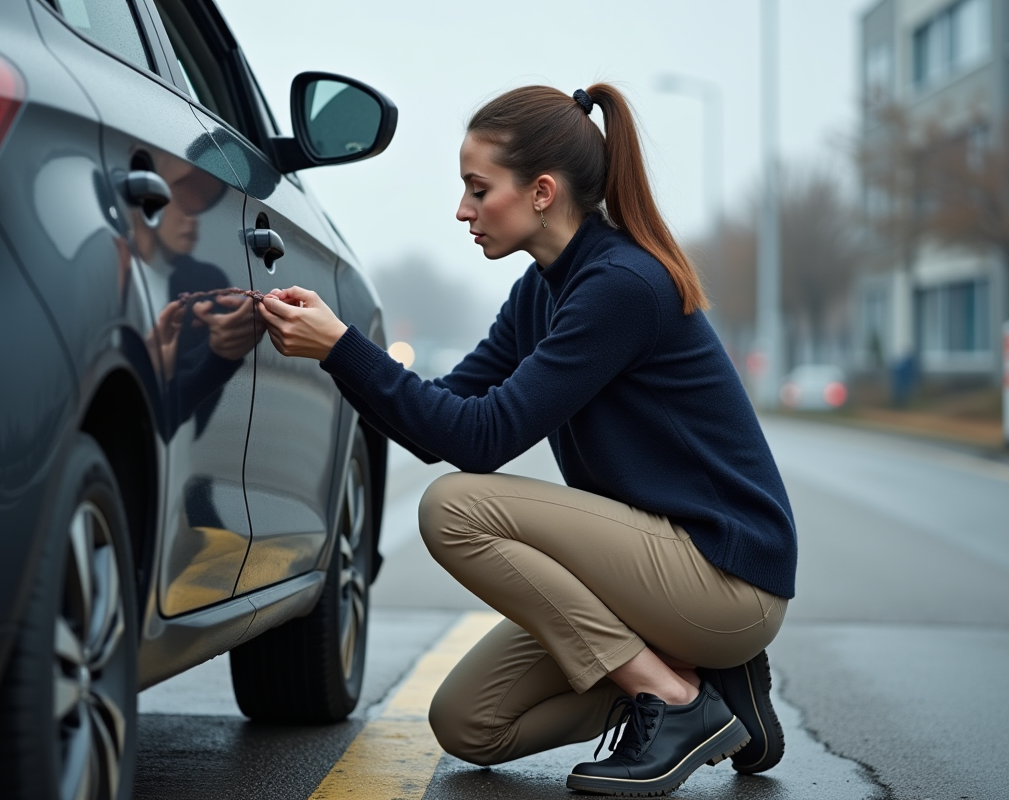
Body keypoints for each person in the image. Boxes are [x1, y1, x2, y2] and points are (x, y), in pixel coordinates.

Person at [254, 83, 796, 797]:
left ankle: (672, 699)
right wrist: (335, 354)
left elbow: (481, 441)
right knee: (468, 724)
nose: (463, 210)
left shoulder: (621, 286)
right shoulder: (540, 291)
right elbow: (442, 414)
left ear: (541, 192)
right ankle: (710, 689)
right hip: (653, 581)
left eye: (478, 190)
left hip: (723, 576)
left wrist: (341, 348)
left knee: (451, 508)